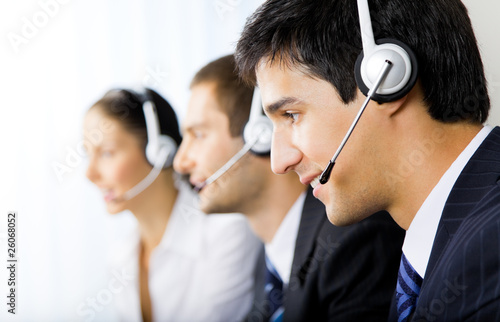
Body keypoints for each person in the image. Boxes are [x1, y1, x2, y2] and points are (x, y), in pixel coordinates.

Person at [235, 0, 500, 320]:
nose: (279, 162)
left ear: (386, 78)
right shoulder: (445, 244)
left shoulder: (488, 258)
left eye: (292, 115)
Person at [173, 54, 405, 321]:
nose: (180, 162)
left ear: (258, 135)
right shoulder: (261, 259)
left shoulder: (353, 243)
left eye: (199, 135)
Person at [83, 88, 261, 322]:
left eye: (106, 153)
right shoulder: (121, 258)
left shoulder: (226, 231)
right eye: (87, 154)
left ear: (158, 153)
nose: (90, 174)